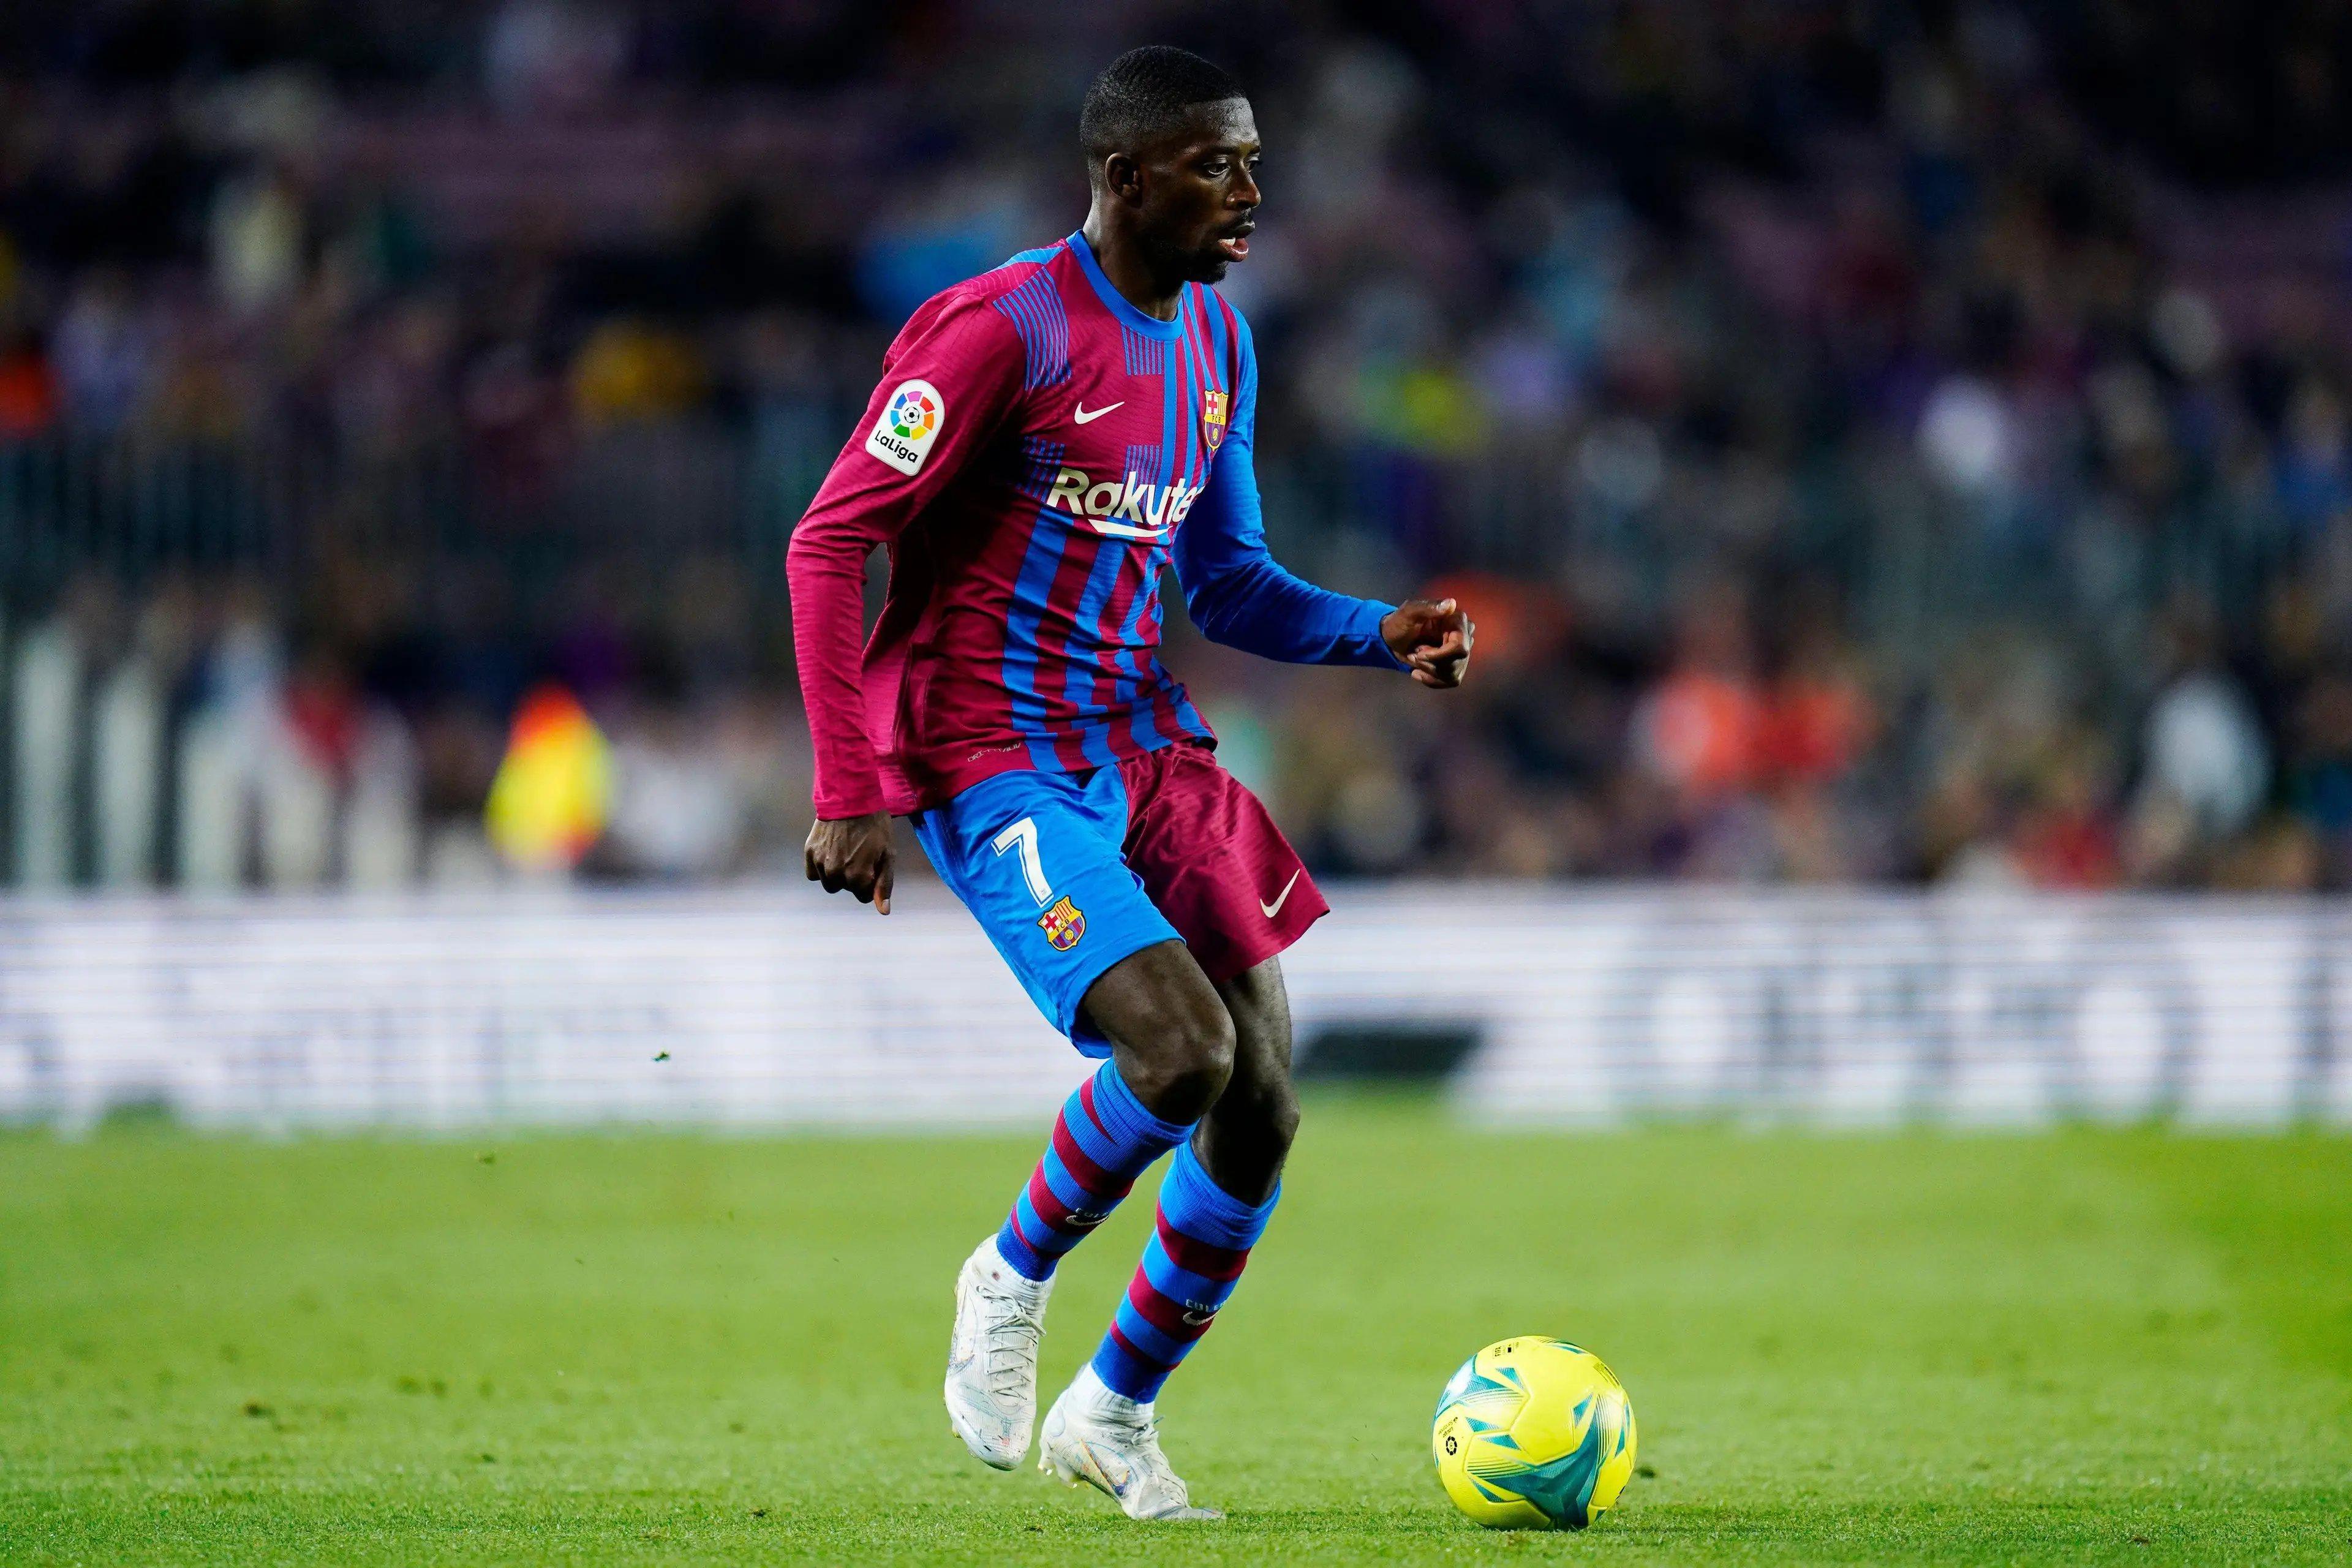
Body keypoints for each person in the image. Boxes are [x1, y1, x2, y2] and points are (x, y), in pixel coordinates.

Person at [788, 45, 1472, 1521]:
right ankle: (1008, 1272)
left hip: (1143, 740)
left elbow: (1224, 580)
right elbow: (829, 539)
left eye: (1254, 161)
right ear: (1122, 175)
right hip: (995, 754)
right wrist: (852, 784)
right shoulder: (999, 331)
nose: (1250, 191)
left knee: (1266, 1101)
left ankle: (1113, 1413)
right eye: (1217, 163)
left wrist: (1377, 632)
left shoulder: (1218, 339)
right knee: (1178, 1052)